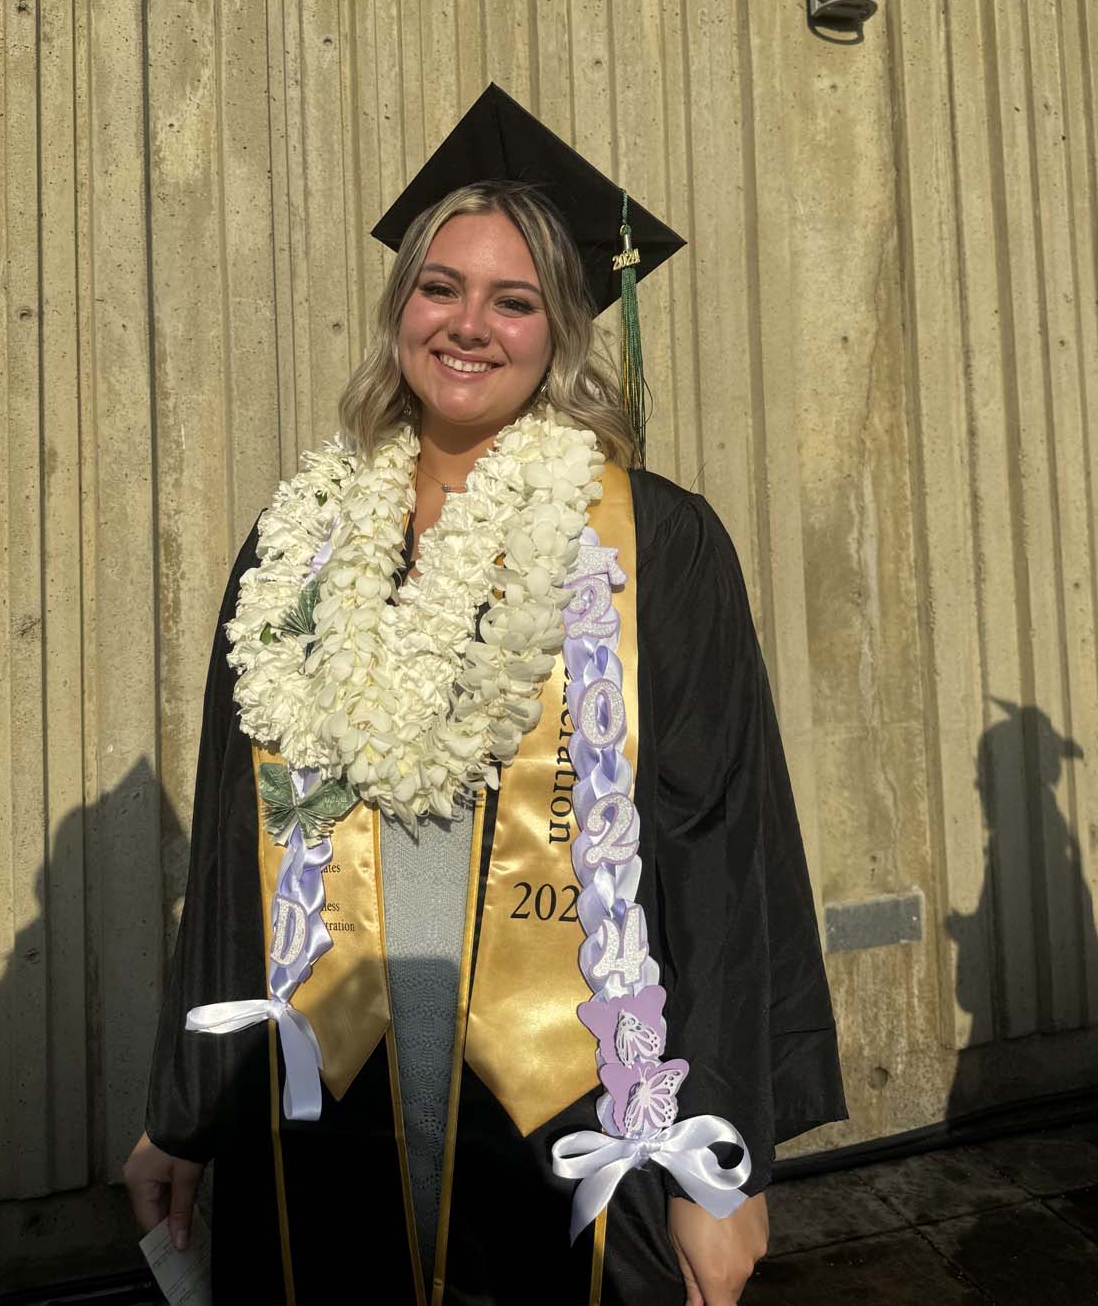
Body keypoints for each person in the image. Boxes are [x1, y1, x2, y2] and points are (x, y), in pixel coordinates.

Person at [124, 85, 846, 1305]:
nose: (470, 325)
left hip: (568, 1112)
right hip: (320, 1103)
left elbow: (722, 858)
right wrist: (184, 1115)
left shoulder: (651, 547)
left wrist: (724, 1172)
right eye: (439, 287)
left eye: (514, 300)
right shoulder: (296, 544)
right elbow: (239, 841)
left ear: (562, 330)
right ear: (399, 306)